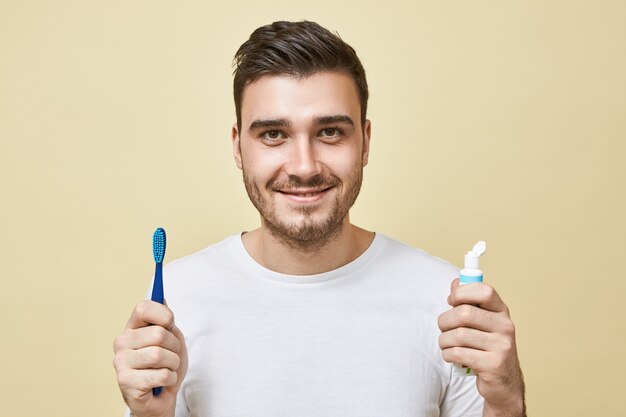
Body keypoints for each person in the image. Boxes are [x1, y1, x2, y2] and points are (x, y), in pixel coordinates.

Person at [113, 20, 526, 417]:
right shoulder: (177, 295)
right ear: (239, 148)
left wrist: (506, 402)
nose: (304, 166)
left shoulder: (447, 301)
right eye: (273, 134)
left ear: (365, 142)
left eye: (329, 132)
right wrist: (149, 414)